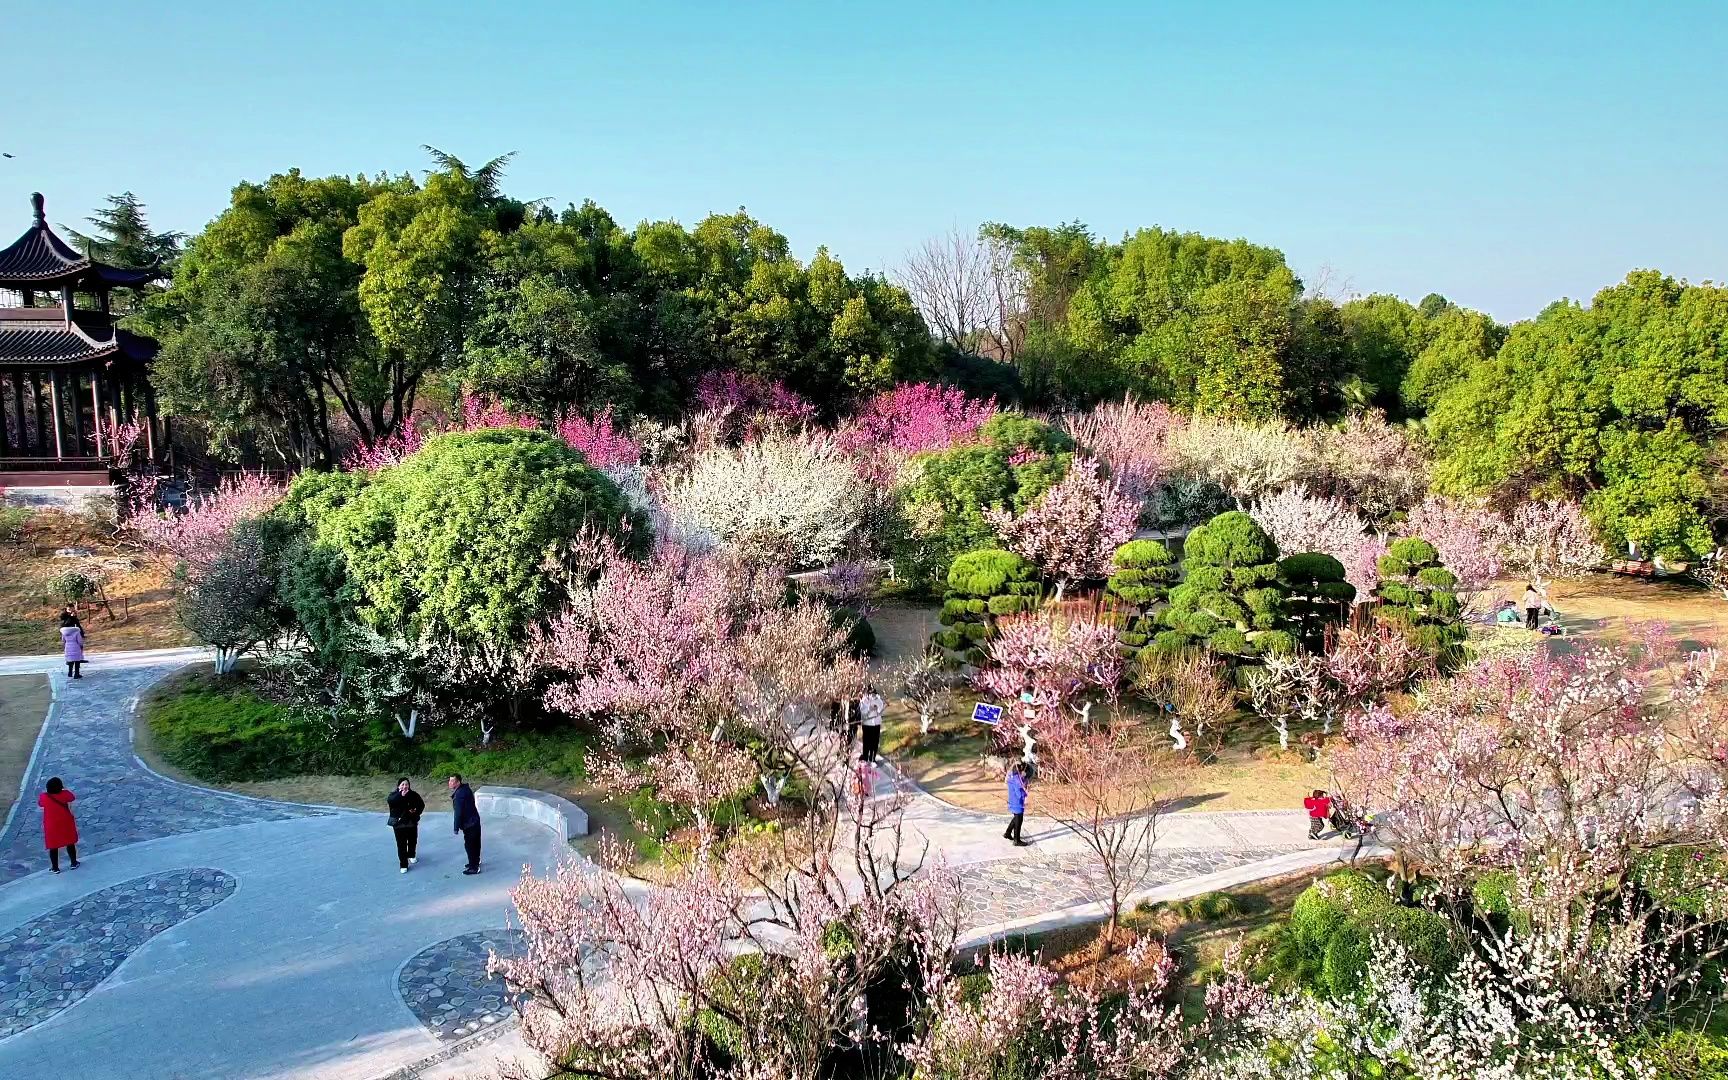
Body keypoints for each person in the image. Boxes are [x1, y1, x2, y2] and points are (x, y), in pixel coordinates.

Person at [39, 776, 79, 872]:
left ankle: (55, 867)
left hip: (51, 824)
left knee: (53, 846)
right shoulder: (65, 794)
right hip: (66, 822)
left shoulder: (44, 796)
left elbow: (40, 804)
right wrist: (63, 789)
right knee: (70, 843)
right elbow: (72, 797)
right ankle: (73, 862)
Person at [387, 778, 425, 873]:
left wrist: (416, 812)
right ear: (399, 786)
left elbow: (421, 804)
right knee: (401, 845)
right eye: (402, 784)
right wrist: (401, 795)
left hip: (411, 822)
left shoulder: (413, 794)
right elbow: (390, 801)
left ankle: (411, 855)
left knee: (412, 841)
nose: (405, 786)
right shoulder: (394, 795)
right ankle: (403, 864)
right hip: (399, 824)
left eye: (406, 784)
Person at [449, 774, 482, 875]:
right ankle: (475, 861)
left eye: (452, 781)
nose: (449, 783)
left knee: (469, 845)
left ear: (458, 782)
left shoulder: (459, 794)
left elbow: (458, 812)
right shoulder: (465, 789)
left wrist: (456, 827)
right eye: (449, 781)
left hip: (469, 823)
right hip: (474, 820)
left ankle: (474, 867)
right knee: (476, 843)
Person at [1003, 762, 1029, 846]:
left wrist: (1024, 780)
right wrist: (1025, 794)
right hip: (1017, 802)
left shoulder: (1012, 777)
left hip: (1012, 800)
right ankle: (1016, 840)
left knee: (1016, 817)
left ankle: (1007, 833)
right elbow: (1019, 793)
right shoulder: (1017, 780)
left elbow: (1022, 781)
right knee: (1019, 820)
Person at [858, 686, 886, 763]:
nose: (871, 695)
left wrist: (877, 709)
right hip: (867, 724)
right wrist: (869, 710)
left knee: (874, 741)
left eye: (873, 693)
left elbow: (881, 711)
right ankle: (865, 756)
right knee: (866, 741)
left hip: (876, 724)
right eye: (869, 693)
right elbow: (863, 713)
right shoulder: (864, 701)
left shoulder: (879, 701)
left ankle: (872, 757)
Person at [59, 611, 85, 680]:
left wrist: (65, 645)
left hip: (68, 646)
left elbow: (63, 640)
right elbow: (79, 640)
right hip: (76, 647)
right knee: (77, 661)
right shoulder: (76, 631)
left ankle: (70, 672)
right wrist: (81, 645)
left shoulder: (64, 632)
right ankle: (76, 674)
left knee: (70, 660)